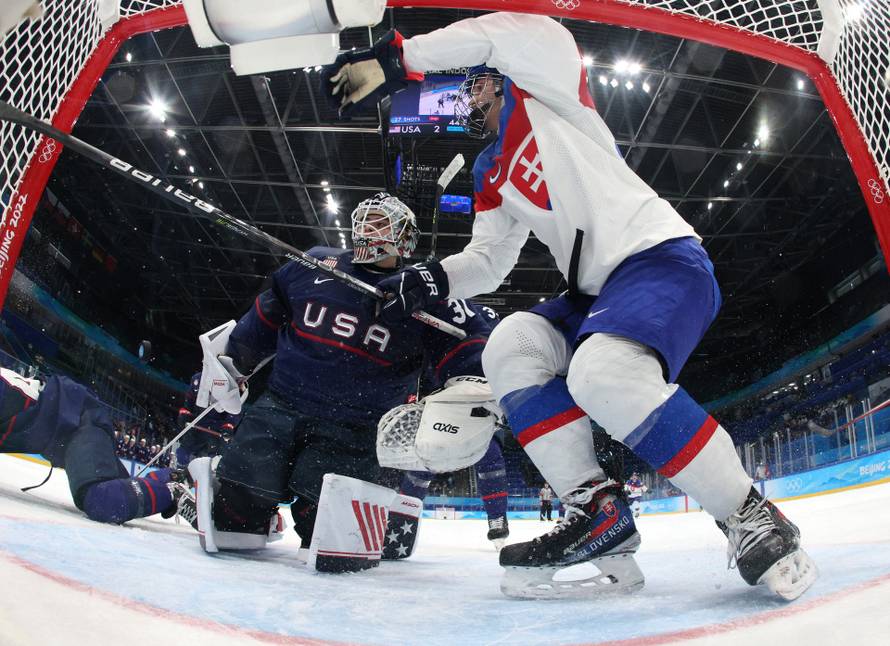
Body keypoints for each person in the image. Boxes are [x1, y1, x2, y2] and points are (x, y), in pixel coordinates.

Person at [323, 12, 816, 600]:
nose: (469, 97)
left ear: (498, 80)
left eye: (476, 85)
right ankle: (597, 512)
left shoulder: (546, 88)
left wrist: (397, 58)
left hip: (658, 257)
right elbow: (490, 260)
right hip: (594, 292)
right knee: (509, 346)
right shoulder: (488, 169)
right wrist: (431, 278)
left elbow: (501, 33)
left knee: (601, 374)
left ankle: (750, 515)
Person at [195, 192, 504, 556]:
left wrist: (469, 379)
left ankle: (376, 517)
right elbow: (265, 317)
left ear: (404, 238)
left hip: (353, 427)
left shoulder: (422, 291)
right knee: (236, 518)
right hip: (281, 404)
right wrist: (235, 362)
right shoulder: (314, 263)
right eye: (366, 221)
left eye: (381, 223)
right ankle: (246, 504)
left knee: (329, 537)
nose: (369, 230)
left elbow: (469, 336)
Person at [0, 367, 192, 525]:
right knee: (122, 487)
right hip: (67, 420)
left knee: (103, 500)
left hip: (77, 417)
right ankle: (169, 477)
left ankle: (173, 491)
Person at [175, 371, 241, 465]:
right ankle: (181, 469)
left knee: (212, 461)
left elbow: (234, 410)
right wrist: (184, 414)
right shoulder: (197, 379)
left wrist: (228, 425)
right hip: (197, 425)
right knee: (182, 454)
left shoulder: (231, 383)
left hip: (216, 430)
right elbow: (189, 401)